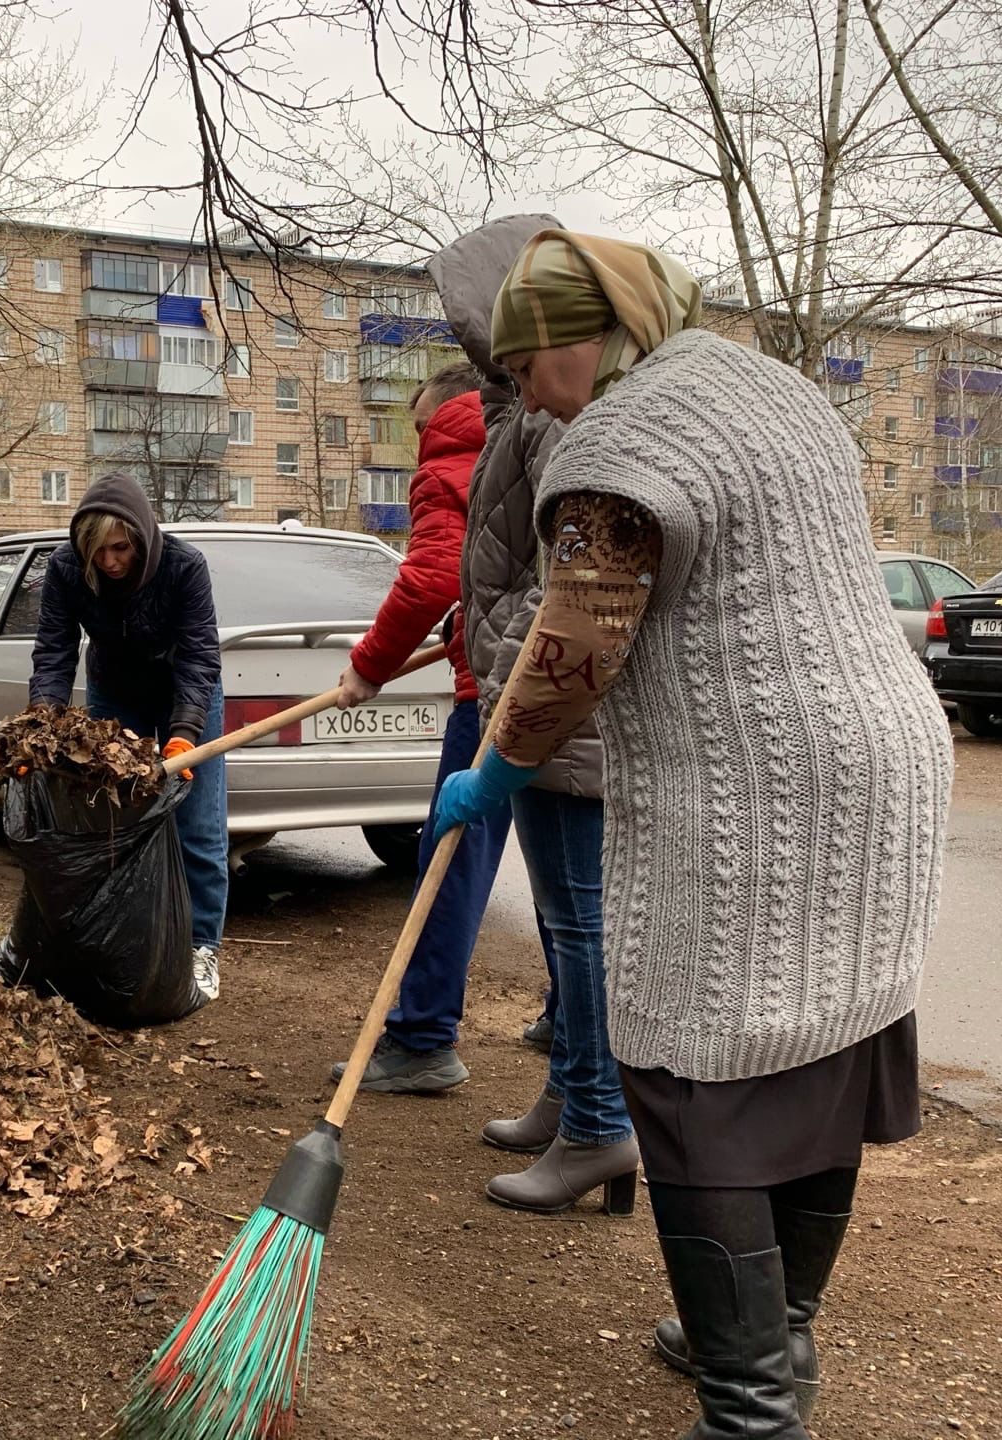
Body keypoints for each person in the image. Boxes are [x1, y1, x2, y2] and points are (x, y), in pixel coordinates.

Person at [435, 229, 952, 1437]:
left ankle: (751, 1404)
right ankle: (782, 1333)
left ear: (573, 339)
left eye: (521, 368)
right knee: (824, 1043)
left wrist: (497, 769)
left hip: (759, 783)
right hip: (888, 766)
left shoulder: (619, 442)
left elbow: (574, 652)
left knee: (686, 1067)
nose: (520, 394)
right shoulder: (775, 388)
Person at [429, 218, 636, 1211]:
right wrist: (471, 624)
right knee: (566, 928)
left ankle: (601, 1122)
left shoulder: (559, 416)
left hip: (560, 712)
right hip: (529, 693)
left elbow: (571, 592)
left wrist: (503, 676)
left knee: (581, 928)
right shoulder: (519, 409)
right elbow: (509, 563)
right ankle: (572, 1094)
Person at [325, 354, 559, 1094]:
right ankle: (573, 1014)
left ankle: (423, 1037)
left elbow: (427, 577)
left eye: (419, 422)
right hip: (556, 689)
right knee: (559, 866)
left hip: (489, 695)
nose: (417, 438)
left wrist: (368, 665)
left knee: (450, 856)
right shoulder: (539, 438)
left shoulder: (451, 459)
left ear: (448, 413)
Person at [28, 474, 228, 1003]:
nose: (110, 562)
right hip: (116, 692)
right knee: (113, 820)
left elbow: (200, 655)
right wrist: (40, 729)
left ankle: (202, 947)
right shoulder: (66, 568)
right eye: (98, 552)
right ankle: (124, 935)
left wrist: (185, 734)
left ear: (140, 536)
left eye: (120, 548)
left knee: (199, 822)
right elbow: (54, 651)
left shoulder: (184, 567)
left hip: (186, 690)